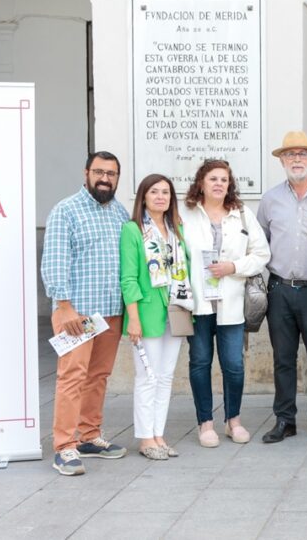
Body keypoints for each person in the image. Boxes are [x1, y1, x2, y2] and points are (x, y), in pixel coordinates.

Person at [41, 151, 130, 475]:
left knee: (98, 377)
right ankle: (64, 446)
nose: (105, 178)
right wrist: (63, 306)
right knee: (72, 377)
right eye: (99, 172)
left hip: (110, 312)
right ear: (86, 173)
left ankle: (89, 436)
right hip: (77, 312)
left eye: (111, 173)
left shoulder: (120, 213)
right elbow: (54, 260)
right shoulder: (66, 210)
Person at [181, 159, 270, 447]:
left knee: (233, 364)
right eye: (213, 179)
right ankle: (205, 423)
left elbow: (261, 253)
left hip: (231, 303)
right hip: (198, 304)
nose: (219, 184)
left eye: (224, 179)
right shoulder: (186, 214)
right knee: (200, 362)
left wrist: (233, 267)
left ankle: (234, 420)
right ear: (201, 183)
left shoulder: (242, 214)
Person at [257, 131, 307, 443]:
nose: (297, 159)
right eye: (291, 154)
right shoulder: (270, 199)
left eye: (303, 154)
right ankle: (285, 419)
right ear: (281, 160)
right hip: (280, 290)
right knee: (283, 358)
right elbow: (260, 242)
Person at [119, 174, 193, 460]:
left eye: (166, 192)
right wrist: (133, 318)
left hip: (175, 310)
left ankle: (158, 434)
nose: (161, 197)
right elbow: (128, 279)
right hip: (147, 313)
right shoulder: (133, 230)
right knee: (147, 377)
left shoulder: (176, 230)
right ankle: (144, 438)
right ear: (144, 197)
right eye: (154, 192)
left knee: (165, 377)